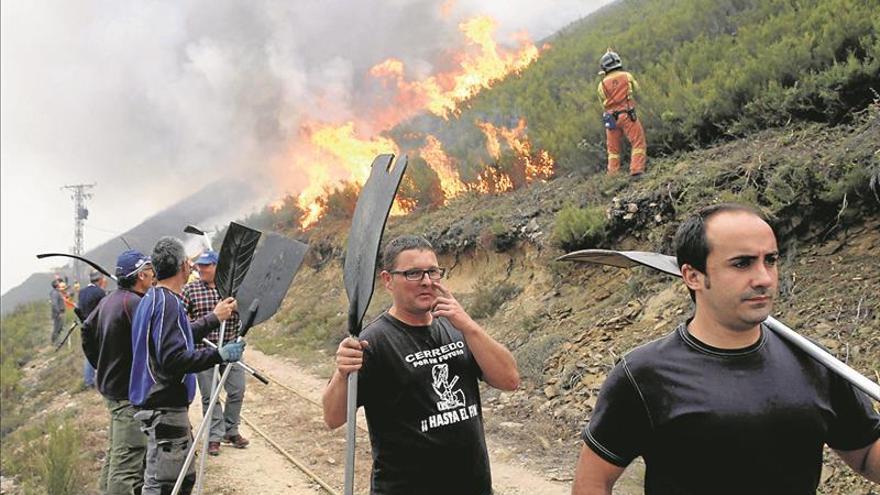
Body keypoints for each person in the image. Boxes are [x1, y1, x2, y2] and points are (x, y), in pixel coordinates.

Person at [572, 203, 880, 494]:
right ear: (693, 276)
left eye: (770, 260)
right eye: (742, 263)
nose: (763, 278)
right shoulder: (644, 374)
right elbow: (593, 482)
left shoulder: (814, 362)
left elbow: (865, 452)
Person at [322, 235, 520, 495]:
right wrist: (342, 372)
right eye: (413, 273)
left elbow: (510, 380)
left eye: (433, 271)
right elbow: (333, 417)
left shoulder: (456, 325)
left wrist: (469, 325)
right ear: (388, 280)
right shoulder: (373, 342)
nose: (426, 281)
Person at [129, 237, 246, 495]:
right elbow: (173, 359)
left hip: (156, 404)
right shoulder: (168, 303)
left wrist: (213, 318)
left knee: (167, 479)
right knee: (169, 485)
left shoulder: (154, 298)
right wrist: (218, 355)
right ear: (184, 266)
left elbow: (177, 337)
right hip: (164, 405)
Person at [82, 250, 155, 495]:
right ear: (141, 275)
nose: (154, 274)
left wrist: (100, 365)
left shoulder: (110, 299)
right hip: (127, 396)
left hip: (113, 391)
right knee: (127, 464)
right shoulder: (133, 304)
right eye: (150, 269)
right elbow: (162, 341)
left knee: (116, 454)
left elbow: (86, 330)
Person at [182, 250, 248, 456]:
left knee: (237, 390)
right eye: (200, 265)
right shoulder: (190, 290)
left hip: (231, 348)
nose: (201, 269)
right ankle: (214, 436)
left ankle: (231, 430)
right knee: (210, 396)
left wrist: (240, 307)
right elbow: (182, 320)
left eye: (207, 266)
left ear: (217, 267)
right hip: (205, 352)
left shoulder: (233, 289)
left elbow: (250, 311)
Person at [597, 50, 647, 177]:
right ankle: (636, 170)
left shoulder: (601, 85)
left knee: (613, 151)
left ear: (604, 67)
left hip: (611, 120)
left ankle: (613, 176)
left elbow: (601, 103)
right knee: (638, 143)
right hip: (628, 116)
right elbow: (638, 91)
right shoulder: (627, 76)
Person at [78, 270, 107, 388]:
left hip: (86, 326)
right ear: (100, 280)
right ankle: (103, 379)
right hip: (97, 326)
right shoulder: (99, 292)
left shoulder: (82, 292)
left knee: (89, 353)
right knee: (103, 353)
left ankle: (89, 380)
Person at [50, 278, 66, 344]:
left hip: (59, 313)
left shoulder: (57, 292)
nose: (59, 284)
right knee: (57, 328)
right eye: (58, 283)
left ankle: (56, 341)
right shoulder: (55, 293)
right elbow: (54, 304)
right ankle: (55, 342)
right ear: (56, 285)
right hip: (57, 314)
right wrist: (58, 312)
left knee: (60, 327)